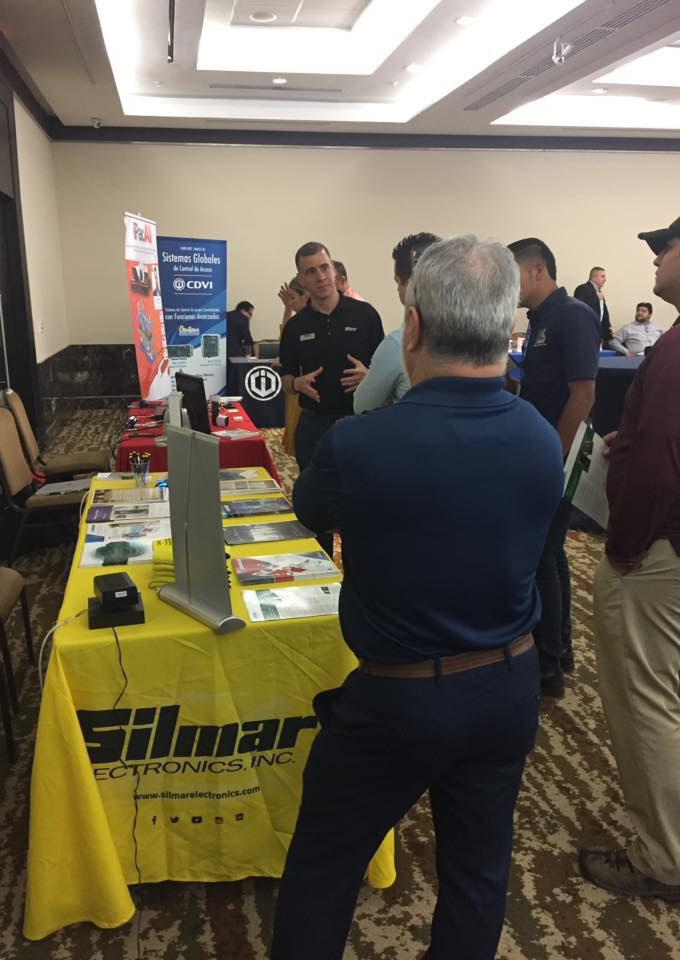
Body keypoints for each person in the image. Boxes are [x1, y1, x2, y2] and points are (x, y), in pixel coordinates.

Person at [270, 235, 564, 960]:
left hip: (396, 699)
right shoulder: (540, 437)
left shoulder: (360, 443)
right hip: (509, 685)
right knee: (477, 875)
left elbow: (308, 510)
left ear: (413, 327)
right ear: (505, 327)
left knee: (323, 870)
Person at [579, 216, 680, 900]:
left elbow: (660, 468)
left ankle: (663, 860)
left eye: (665, 247)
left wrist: (623, 548)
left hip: (657, 551)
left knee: (648, 700)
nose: (655, 259)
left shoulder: (675, 350)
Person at [508, 238, 600, 698]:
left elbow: (583, 394)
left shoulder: (572, 315)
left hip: (557, 459)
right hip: (540, 455)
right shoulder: (539, 319)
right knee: (552, 553)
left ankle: (547, 667)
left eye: (513, 276)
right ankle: (559, 649)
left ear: (537, 271)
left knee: (542, 556)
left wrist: (554, 458)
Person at [354, 232, 438, 414]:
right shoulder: (470, 336)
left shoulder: (397, 344)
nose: (397, 289)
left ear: (410, 285)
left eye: (398, 283)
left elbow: (362, 406)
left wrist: (377, 381)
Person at [278, 277, 309, 456]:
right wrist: (287, 308)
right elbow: (285, 337)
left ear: (306, 296)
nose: (290, 303)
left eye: (293, 298)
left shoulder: (312, 321)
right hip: (294, 383)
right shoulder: (297, 322)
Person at [574, 267, 629, 354]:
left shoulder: (599, 292)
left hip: (597, 335)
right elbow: (581, 310)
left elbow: (603, 314)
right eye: (602, 276)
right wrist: (597, 299)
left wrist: (608, 331)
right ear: (594, 277)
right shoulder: (582, 289)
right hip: (586, 334)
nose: (605, 279)